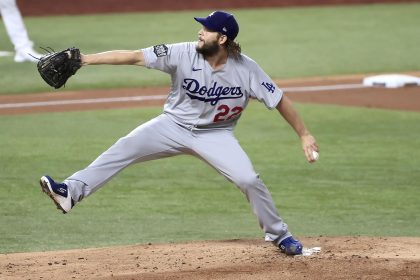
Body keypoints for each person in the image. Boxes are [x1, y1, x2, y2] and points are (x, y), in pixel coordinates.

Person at [39, 11, 319, 256]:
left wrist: (304, 134)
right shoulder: (182, 52)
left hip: (216, 135)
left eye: (206, 29)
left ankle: (280, 235)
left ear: (222, 39)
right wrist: (85, 60)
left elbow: (279, 99)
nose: (200, 31)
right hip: (171, 126)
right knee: (123, 148)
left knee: (248, 179)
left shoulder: (247, 69)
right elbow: (135, 56)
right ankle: (70, 192)